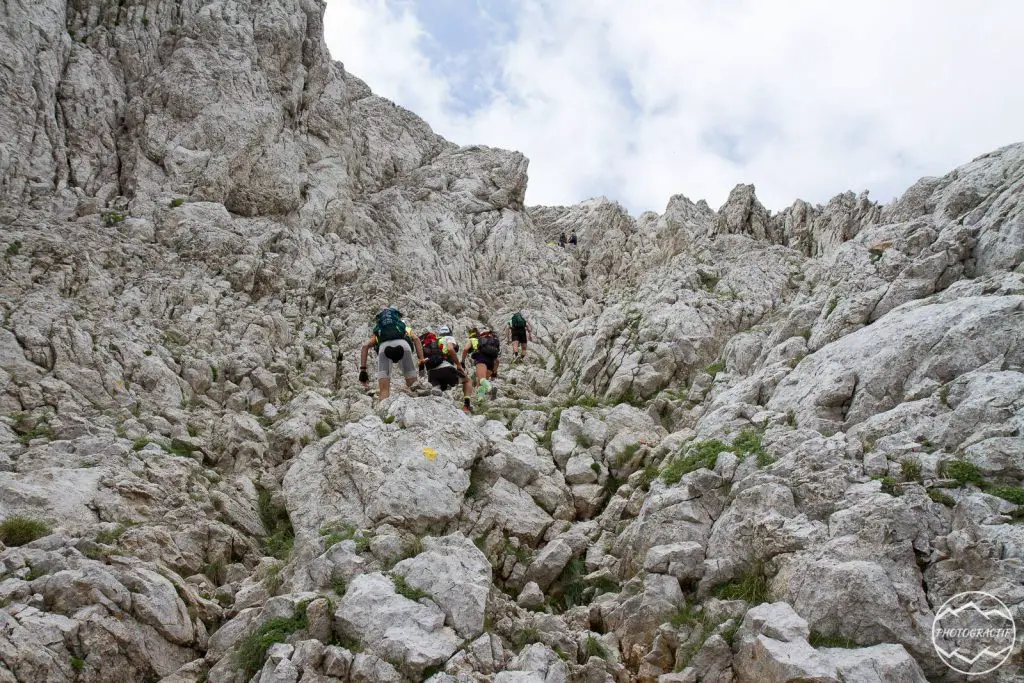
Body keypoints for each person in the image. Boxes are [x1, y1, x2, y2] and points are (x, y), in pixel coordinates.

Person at [358, 306, 426, 400]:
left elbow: (365, 346)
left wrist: (363, 370)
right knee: (413, 386)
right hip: (404, 346)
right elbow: (416, 339)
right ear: (397, 317)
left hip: (384, 348)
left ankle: (383, 410)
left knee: (384, 391)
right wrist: (421, 359)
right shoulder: (404, 327)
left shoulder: (378, 330)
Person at [422, 326, 473, 413]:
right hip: (446, 369)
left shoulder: (433, 341)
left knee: (442, 387)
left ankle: (437, 391)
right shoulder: (449, 338)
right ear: (450, 332)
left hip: (431, 373)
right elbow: (450, 349)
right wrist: (458, 364)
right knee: (468, 381)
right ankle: (466, 405)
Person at [461, 327, 500, 399]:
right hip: (491, 361)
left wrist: (462, 361)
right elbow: (497, 360)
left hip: (481, 358)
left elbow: (465, 349)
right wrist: (494, 372)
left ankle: (491, 389)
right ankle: (480, 399)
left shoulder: (473, 339)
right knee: (481, 383)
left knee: (482, 379)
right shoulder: (489, 343)